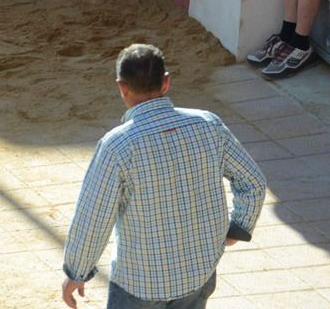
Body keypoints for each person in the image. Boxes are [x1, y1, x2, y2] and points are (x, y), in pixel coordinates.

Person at [61, 43, 265, 309]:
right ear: (166, 82)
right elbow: (253, 182)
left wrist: (76, 272)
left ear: (122, 87)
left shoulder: (118, 145)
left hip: (138, 284)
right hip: (198, 274)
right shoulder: (208, 125)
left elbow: (94, 217)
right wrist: (238, 226)